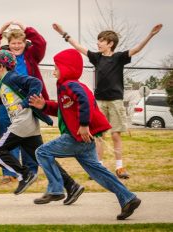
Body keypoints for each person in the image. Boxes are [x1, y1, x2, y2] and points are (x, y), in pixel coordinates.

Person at [30, 48, 141, 220]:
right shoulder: (67, 88)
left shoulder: (71, 85)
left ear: (67, 68)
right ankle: (128, 198)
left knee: (41, 152)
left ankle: (56, 189)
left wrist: (83, 125)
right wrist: (44, 106)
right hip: (83, 140)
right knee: (98, 172)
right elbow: (64, 110)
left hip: (76, 137)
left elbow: (86, 101)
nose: (53, 72)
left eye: (56, 68)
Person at [52, 23, 163, 179]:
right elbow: (77, 46)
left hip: (116, 101)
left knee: (116, 135)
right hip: (99, 102)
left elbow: (137, 49)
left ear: (110, 44)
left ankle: (119, 167)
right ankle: (99, 166)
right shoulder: (96, 58)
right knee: (99, 136)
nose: (98, 43)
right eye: (98, 40)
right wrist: (63, 32)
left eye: (101, 41)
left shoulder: (119, 58)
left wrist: (151, 34)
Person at [0, 50, 84, 204]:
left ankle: (25, 174)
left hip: (23, 123)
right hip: (28, 125)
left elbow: (36, 83)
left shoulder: (12, 77)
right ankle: (71, 186)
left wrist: (24, 104)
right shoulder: (4, 84)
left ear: (1, 66)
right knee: (42, 158)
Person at [0, 21, 47, 183]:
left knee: (28, 137)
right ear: (8, 44)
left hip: (27, 103)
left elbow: (41, 43)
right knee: (7, 136)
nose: (17, 46)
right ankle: (10, 172)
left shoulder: (32, 55)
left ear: (25, 43)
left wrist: (25, 27)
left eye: (20, 43)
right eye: (13, 43)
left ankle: (31, 170)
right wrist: (2, 28)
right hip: (7, 103)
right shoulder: (2, 57)